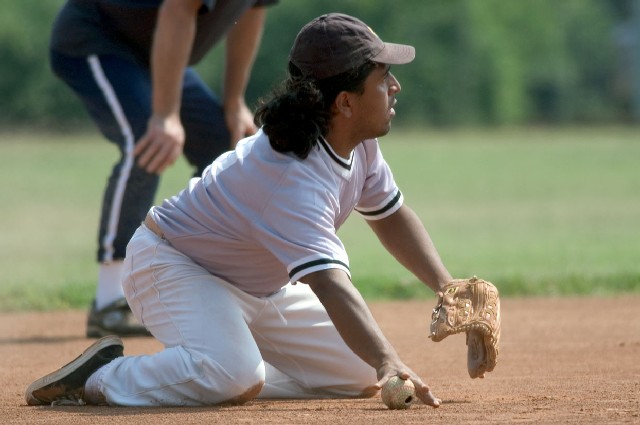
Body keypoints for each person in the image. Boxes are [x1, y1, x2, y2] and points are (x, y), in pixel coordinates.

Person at [26, 13, 452, 408]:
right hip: (172, 265)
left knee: (360, 373)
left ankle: (223, 369)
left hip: (259, 286)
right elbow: (330, 283)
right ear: (344, 102)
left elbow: (390, 216)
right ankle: (102, 377)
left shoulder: (357, 142)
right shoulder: (290, 178)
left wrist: (447, 287)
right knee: (236, 374)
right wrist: (388, 358)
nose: (395, 86)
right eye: (384, 76)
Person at [49, 0, 277, 338]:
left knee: (222, 145)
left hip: (155, 50)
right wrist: (166, 115)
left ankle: (202, 281)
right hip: (96, 39)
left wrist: (233, 101)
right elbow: (177, 9)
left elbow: (252, 11)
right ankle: (110, 302)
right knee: (147, 140)